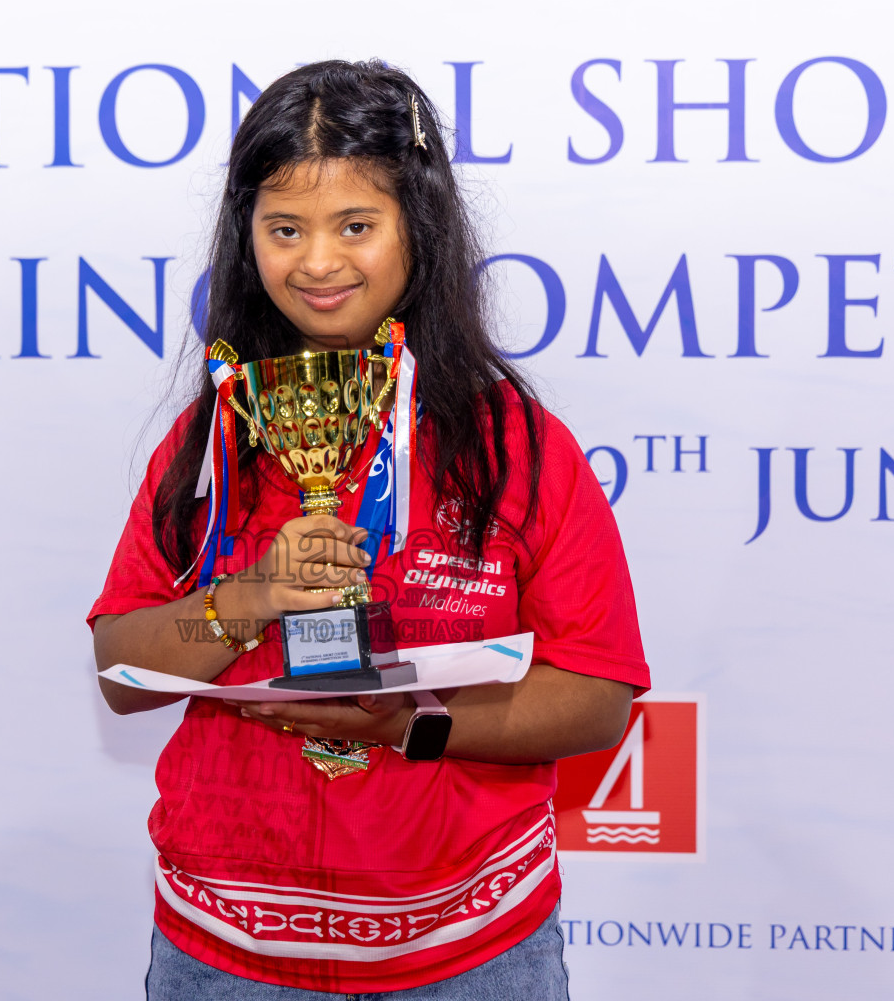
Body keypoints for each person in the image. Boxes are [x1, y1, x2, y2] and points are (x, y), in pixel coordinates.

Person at [88, 60, 649, 999]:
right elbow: (119, 672)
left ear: (415, 230)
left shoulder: (517, 447)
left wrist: (411, 726)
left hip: (472, 954)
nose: (317, 261)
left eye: (356, 225)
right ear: (247, 240)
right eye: (284, 229)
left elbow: (597, 698)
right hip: (228, 953)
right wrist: (247, 599)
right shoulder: (215, 442)